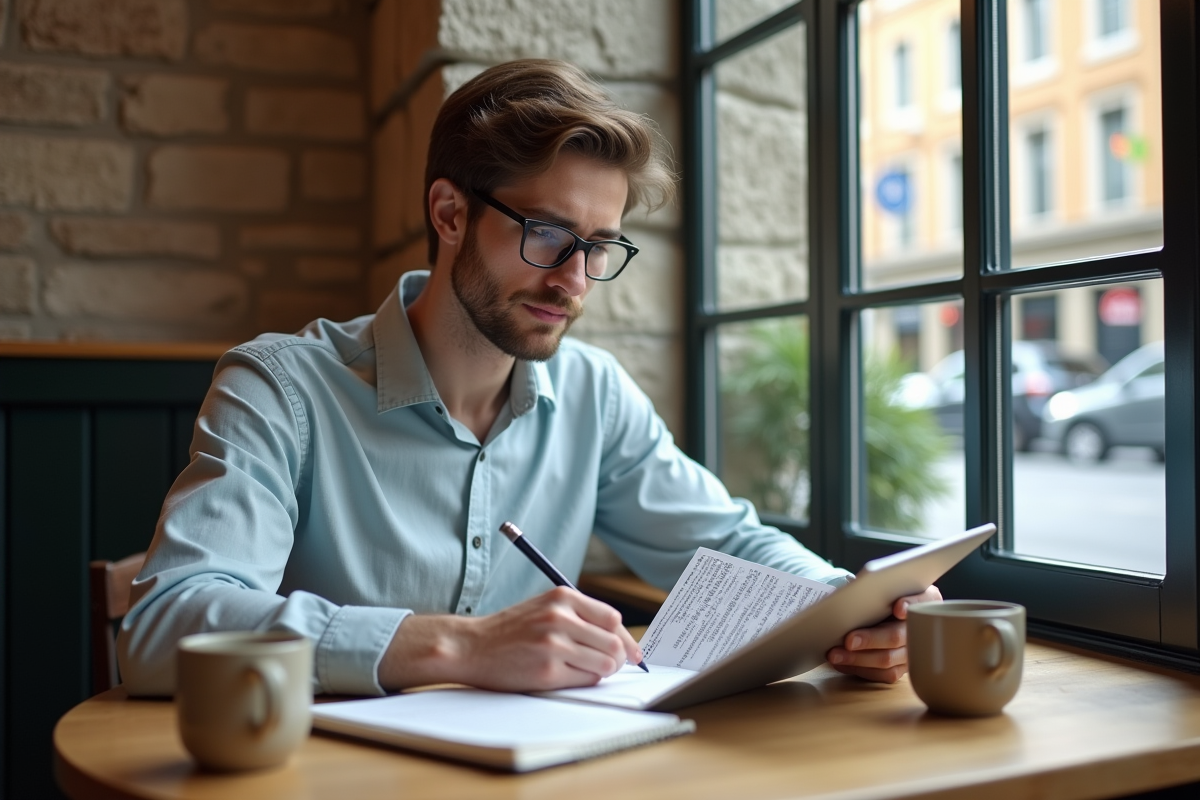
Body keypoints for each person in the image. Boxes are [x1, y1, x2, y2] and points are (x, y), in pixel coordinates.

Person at [118, 59, 938, 697]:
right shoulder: (279, 389)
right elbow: (162, 627)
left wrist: (857, 609)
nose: (575, 280)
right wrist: (463, 645)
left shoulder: (593, 393)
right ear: (449, 214)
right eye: (547, 234)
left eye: (599, 247)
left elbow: (726, 542)